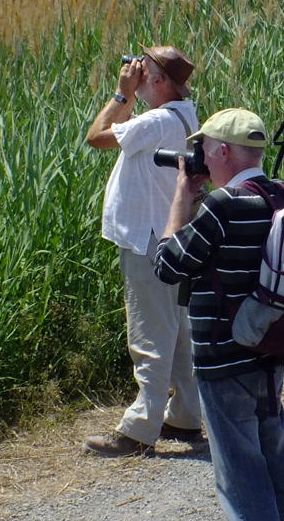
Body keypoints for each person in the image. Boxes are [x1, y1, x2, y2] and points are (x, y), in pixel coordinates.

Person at [154, 108, 284, 521]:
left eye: (203, 150)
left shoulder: (222, 204)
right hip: (266, 355)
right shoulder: (278, 194)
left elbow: (170, 264)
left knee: (243, 485)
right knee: (274, 478)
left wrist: (181, 197)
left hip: (222, 359)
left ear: (219, 152)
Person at [83, 45, 204, 458]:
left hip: (147, 238)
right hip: (170, 235)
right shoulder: (184, 114)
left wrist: (122, 93)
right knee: (178, 328)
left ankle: (139, 429)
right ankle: (186, 414)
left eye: (143, 69)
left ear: (156, 81)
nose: (134, 71)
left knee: (150, 333)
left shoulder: (155, 119)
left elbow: (95, 137)